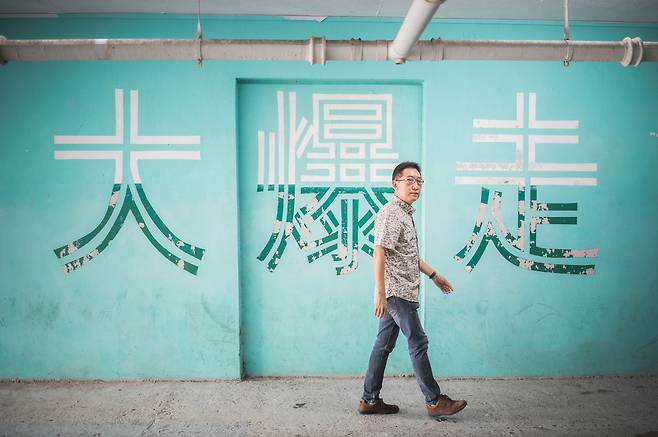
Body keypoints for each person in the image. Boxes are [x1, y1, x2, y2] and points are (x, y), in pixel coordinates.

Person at [358, 161, 467, 417]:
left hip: (402, 290)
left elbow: (408, 256)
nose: (415, 185)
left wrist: (434, 276)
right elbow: (379, 251)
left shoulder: (405, 213)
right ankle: (434, 400)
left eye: (419, 181)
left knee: (382, 346)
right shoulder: (392, 213)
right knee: (418, 341)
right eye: (410, 180)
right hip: (397, 293)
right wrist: (380, 292)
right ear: (395, 183)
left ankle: (369, 400)